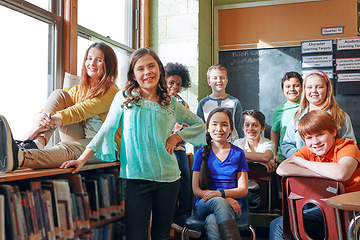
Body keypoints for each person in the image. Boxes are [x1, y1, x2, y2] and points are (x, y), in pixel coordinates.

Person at [60, 47, 206, 240]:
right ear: (133, 75)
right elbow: (107, 130)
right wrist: (81, 159)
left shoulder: (170, 102)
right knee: (135, 235)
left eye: (151, 66)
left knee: (161, 235)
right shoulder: (124, 97)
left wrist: (177, 137)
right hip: (135, 179)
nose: (147, 72)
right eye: (141, 69)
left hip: (169, 179)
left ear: (160, 69)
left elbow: (199, 124)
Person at [0, 42, 121, 172]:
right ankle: (37, 143)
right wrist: (38, 118)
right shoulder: (78, 90)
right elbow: (52, 109)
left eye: (99, 60)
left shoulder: (111, 91)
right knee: (60, 94)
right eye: (89, 58)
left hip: (105, 145)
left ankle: (21, 157)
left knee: (67, 147)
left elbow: (78, 112)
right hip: (81, 137)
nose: (92, 63)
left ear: (108, 65)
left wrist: (44, 123)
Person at [269, 110, 360, 240]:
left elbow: (341, 173)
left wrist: (303, 162)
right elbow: (282, 169)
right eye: (309, 138)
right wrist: (321, 173)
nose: (315, 142)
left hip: (354, 210)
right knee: (278, 225)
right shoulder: (308, 150)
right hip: (326, 208)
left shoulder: (347, 146)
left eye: (320, 134)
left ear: (333, 132)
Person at [192, 107, 249, 240]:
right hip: (204, 203)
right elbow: (196, 190)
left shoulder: (239, 154)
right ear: (208, 127)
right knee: (218, 202)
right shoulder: (200, 153)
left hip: (233, 206)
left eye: (224, 124)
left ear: (230, 129)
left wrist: (220, 194)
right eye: (214, 124)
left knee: (212, 220)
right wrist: (222, 197)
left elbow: (243, 190)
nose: (219, 129)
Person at [281, 70, 356, 159]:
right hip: (303, 168)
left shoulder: (340, 115)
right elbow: (287, 145)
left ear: (327, 89)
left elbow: (350, 146)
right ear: (304, 90)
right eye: (309, 87)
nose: (314, 91)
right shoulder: (297, 116)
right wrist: (303, 157)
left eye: (319, 87)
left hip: (330, 168)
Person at [165, 62, 192, 226]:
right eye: (171, 82)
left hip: (179, 148)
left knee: (185, 176)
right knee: (168, 179)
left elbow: (188, 127)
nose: (175, 86)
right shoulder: (158, 100)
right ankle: (171, 212)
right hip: (162, 148)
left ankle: (183, 212)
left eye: (179, 84)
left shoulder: (183, 104)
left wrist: (180, 137)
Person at [234, 110, 276, 206]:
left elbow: (266, 156)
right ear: (243, 128)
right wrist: (260, 162)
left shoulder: (268, 143)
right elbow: (234, 159)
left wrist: (262, 159)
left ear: (263, 128)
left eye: (255, 125)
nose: (251, 128)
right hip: (241, 190)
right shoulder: (237, 143)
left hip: (261, 193)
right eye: (247, 125)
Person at [197, 64, 243, 144]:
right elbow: (198, 130)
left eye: (222, 77)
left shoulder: (235, 102)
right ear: (209, 82)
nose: (219, 80)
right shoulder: (203, 103)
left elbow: (240, 128)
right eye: (215, 78)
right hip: (209, 149)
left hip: (232, 147)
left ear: (226, 81)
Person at [271, 71, 303, 164]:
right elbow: (274, 130)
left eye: (296, 85)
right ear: (283, 90)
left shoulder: (308, 106)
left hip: (306, 156)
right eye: (288, 86)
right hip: (284, 158)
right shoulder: (279, 110)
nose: (292, 89)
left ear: (302, 88)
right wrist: (274, 153)